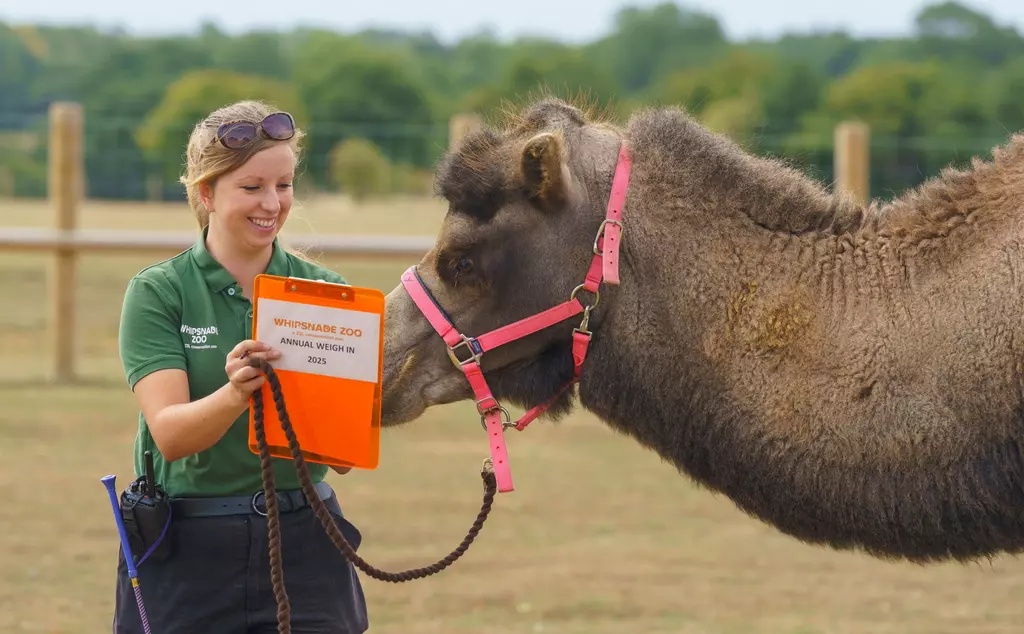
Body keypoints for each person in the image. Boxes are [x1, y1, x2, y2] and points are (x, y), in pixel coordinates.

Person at [113, 100, 369, 633]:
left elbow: (343, 457)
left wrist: (340, 400)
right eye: (251, 188)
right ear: (206, 193)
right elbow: (172, 436)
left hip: (307, 539)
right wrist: (236, 392)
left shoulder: (327, 291)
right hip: (188, 548)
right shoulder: (159, 292)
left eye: (284, 184)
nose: (272, 204)